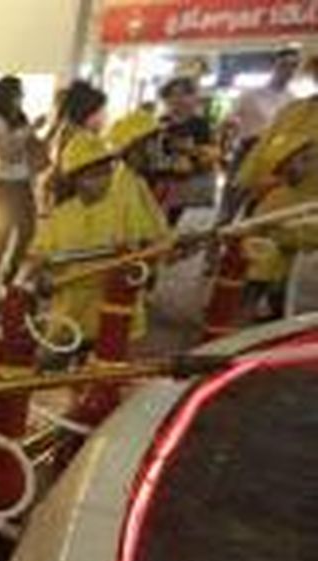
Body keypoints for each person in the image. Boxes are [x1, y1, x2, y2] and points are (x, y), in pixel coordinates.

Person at [28, 132, 170, 345]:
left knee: (110, 371)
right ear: (76, 179)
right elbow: (38, 256)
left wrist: (143, 263)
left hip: (116, 315)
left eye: (107, 172)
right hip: (71, 314)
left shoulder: (125, 206)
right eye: (94, 174)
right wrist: (41, 277)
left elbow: (148, 247)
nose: (103, 179)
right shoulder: (61, 216)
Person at [241, 133, 318, 321]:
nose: (294, 166)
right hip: (261, 268)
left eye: (307, 160)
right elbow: (254, 227)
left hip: (297, 273)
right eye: (292, 159)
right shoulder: (277, 195)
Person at [0, 75, 45, 294]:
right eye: (19, 94)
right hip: (6, 188)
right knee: (2, 237)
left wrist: (36, 131)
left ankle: (10, 279)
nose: (22, 98)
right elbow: (8, 155)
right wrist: (29, 130)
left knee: (28, 232)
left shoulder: (20, 117)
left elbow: (29, 148)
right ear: (8, 95)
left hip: (24, 185)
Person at [224, 48, 301, 176]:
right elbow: (228, 120)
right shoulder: (250, 95)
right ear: (274, 66)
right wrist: (232, 134)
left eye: (293, 66)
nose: (288, 70)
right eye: (284, 65)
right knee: (238, 192)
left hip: (277, 155)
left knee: (271, 194)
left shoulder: (293, 100)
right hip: (249, 150)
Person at [157, 75, 220, 225]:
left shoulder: (201, 124)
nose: (178, 99)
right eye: (173, 95)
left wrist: (191, 152)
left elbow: (209, 153)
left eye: (184, 94)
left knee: (179, 223)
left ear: (193, 98)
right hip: (163, 182)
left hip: (190, 184)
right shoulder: (161, 122)